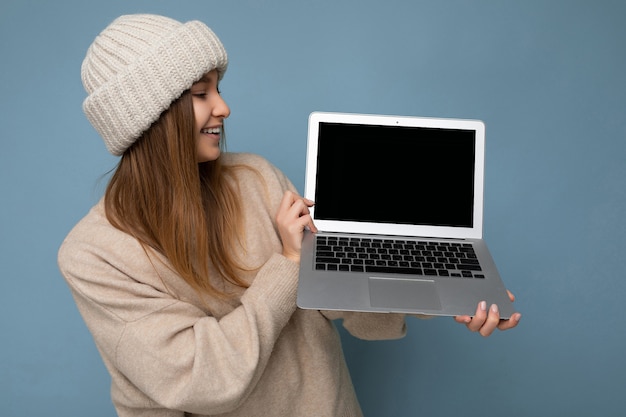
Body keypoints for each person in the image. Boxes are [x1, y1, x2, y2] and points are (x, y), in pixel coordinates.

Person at [58, 13, 521, 417]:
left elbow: (332, 297)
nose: (224, 106)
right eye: (201, 93)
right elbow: (205, 378)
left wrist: (444, 295)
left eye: (219, 88)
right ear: (149, 118)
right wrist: (286, 264)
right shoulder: (94, 255)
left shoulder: (256, 177)